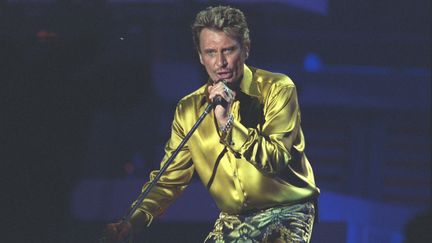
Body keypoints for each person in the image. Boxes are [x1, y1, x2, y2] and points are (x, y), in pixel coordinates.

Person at [106, 5, 319, 243]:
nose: (220, 62)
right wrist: (132, 221)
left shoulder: (277, 89)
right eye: (210, 52)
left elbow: (275, 159)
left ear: (245, 49)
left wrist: (227, 122)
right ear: (200, 56)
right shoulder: (189, 110)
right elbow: (168, 179)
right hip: (233, 218)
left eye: (228, 50)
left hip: (287, 211)